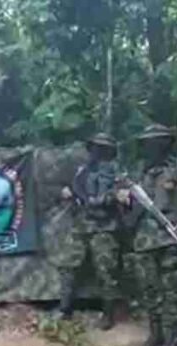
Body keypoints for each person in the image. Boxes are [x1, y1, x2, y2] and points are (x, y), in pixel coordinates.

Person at [120, 124, 177, 346]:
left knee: (172, 291)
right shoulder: (137, 172)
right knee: (149, 290)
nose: (152, 147)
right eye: (148, 143)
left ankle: (176, 340)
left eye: (157, 142)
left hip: (170, 238)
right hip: (143, 239)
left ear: (166, 144)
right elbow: (123, 196)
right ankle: (155, 335)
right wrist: (122, 197)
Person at [55, 133, 122, 329]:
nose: (97, 151)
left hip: (104, 227)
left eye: (102, 148)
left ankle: (108, 314)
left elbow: (118, 195)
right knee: (68, 266)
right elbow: (74, 190)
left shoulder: (117, 172)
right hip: (81, 225)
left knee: (106, 271)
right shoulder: (82, 170)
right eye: (95, 147)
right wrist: (69, 193)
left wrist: (101, 199)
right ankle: (64, 309)